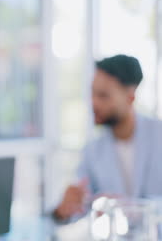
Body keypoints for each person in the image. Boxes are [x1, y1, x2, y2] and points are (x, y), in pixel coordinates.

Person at [53, 54, 162, 221]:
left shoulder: (158, 134)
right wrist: (64, 209)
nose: (93, 103)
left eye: (103, 95)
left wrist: (130, 208)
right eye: (92, 93)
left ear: (130, 97)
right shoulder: (93, 150)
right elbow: (80, 210)